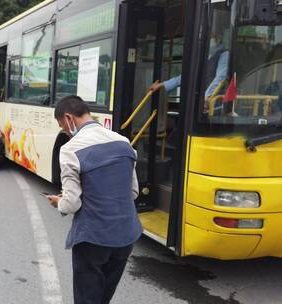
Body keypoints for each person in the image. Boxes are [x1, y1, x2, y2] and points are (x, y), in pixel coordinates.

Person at [46, 95, 142, 304]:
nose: (64, 131)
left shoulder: (70, 149)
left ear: (68, 117)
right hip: (126, 235)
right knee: (103, 297)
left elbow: (72, 203)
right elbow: (132, 192)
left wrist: (58, 202)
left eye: (62, 126)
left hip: (93, 238)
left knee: (87, 298)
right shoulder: (124, 142)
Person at [150, 31, 229, 110]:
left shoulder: (224, 55)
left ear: (218, 39)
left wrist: (206, 97)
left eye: (211, 37)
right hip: (202, 104)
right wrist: (162, 84)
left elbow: (220, 78)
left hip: (215, 106)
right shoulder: (205, 56)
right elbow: (187, 76)